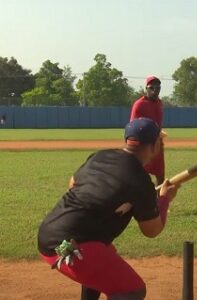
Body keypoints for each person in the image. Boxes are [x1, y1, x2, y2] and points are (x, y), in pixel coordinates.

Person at [37, 118, 180, 300]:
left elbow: (73, 184)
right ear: (153, 146)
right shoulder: (140, 180)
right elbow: (152, 230)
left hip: (48, 233)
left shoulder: (100, 156)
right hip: (73, 246)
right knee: (132, 290)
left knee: (105, 255)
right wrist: (165, 199)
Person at [130, 75, 165, 185]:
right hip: (144, 146)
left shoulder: (159, 103)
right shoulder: (139, 105)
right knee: (140, 177)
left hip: (157, 144)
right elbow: (133, 127)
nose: (155, 91)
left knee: (160, 176)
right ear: (146, 88)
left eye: (158, 88)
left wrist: (159, 134)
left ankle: (158, 201)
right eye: (152, 88)